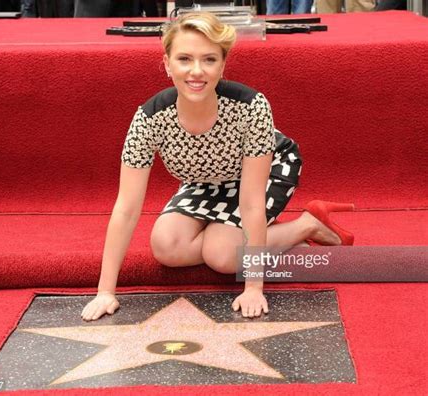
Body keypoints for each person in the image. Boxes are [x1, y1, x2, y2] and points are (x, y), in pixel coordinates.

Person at [81, 12, 354, 322]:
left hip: (268, 168)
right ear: (167, 64)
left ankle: (306, 225)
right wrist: (105, 291)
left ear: (222, 65)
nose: (196, 71)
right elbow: (127, 208)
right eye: (184, 59)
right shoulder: (149, 117)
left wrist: (253, 286)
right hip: (205, 181)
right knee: (166, 246)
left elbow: (250, 201)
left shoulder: (251, 107)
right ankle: (236, 234)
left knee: (222, 254)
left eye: (209, 60)